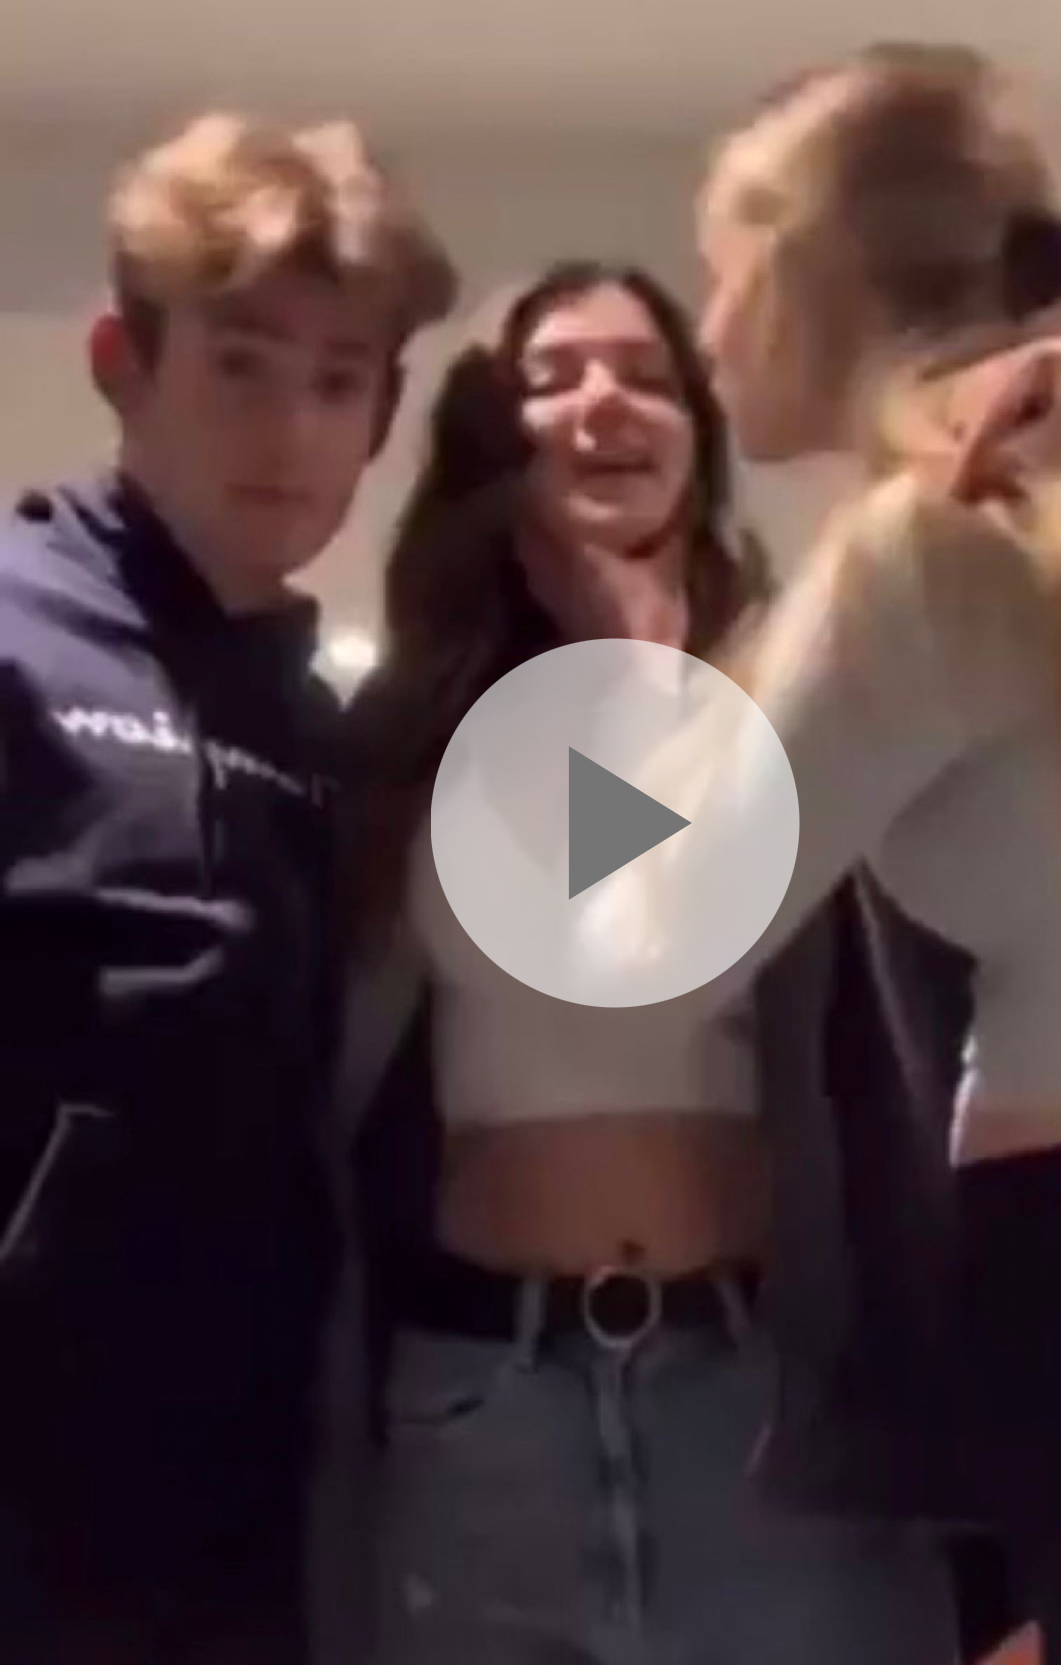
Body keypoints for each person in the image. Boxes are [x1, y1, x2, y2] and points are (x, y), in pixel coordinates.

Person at [566, 43, 1061, 1665]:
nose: (708, 330)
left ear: (804, 274)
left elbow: (646, 935)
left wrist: (618, 687)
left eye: (721, 273)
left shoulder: (933, 539)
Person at [336, 258, 961, 1665]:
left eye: (646, 376)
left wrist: (643, 664)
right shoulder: (405, 733)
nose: (602, 403)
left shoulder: (793, 703)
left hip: (755, 1407)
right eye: (551, 379)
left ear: (699, 435)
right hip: (482, 1414)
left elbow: (673, 951)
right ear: (492, 443)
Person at [0, 112, 455, 1662]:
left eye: (338, 382)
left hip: (253, 1512)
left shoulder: (326, 731)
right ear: (122, 363)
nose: (290, 430)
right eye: (242, 364)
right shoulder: (17, 638)